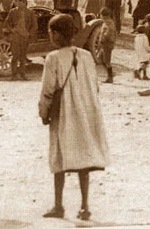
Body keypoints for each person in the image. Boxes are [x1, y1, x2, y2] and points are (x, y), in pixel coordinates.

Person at [39, 14, 109, 221]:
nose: (51, 36)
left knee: (59, 156)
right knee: (83, 160)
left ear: (57, 35)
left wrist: (44, 113)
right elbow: (95, 86)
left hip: (63, 113)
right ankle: (85, 206)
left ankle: (58, 205)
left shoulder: (53, 58)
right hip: (86, 113)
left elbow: (47, 91)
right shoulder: (87, 56)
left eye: (52, 32)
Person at [5, 0, 37, 80]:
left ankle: (23, 74)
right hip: (15, 37)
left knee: (23, 57)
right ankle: (14, 75)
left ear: (22, 1)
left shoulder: (30, 12)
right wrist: (11, 30)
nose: (15, 3)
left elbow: (35, 25)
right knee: (15, 56)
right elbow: (7, 23)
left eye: (16, 1)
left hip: (24, 37)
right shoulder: (13, 12)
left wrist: (29, 33)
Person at [133, 14, 150, 80]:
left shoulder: (145, 26)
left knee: (145, 60)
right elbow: (149, 38)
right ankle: (139, 71)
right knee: (146, 61)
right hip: (149, 45)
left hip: (142, 47)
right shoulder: (149, 27)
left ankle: (143, 74)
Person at [99, 7, 117, 83]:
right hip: (105, 43)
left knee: (107, 61)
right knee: (102, 59)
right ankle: (110, 74)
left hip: (107, 43)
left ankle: (110, 77)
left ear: (104, 15)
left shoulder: (109, 22)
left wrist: (104, 38)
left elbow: (109, 31)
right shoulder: (106, 22)